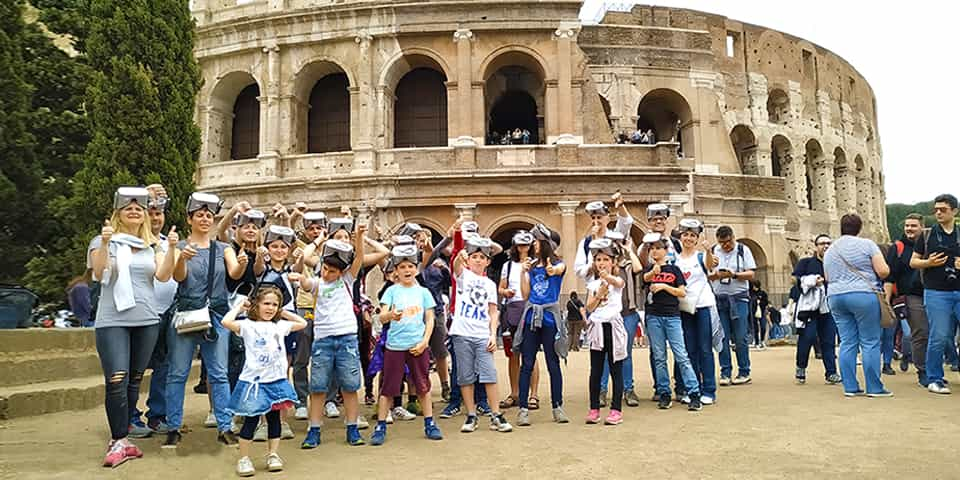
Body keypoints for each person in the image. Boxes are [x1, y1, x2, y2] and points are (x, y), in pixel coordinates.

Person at [89, 187, 176, 467]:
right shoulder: (104, 241)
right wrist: (104, 244)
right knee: (116, 379)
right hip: (113, 319)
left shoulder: (153, 246)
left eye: (140, 208)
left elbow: (163, 276)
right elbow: (99, 272)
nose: (135, 211)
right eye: (129, 207)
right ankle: (117, 440)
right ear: (118, 213)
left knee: (134, 381)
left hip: (147, 319)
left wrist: (172, 248)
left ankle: (124, 438)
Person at [163, 192, 247, 449]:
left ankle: (225, 426)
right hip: (187, 312)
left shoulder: (223, 248)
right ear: (190, 219)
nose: (205, 219)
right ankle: (173, 426)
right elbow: (178, 278)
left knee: (219, 373)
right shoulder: (180, 248)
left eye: (209, 216)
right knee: (178, 372)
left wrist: (242, 263)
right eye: (199, 215)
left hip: (216, 314)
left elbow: (234, 273)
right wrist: (181, 258)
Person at [222, 287, 306, 476]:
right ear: (256, 304)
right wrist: (239, 308)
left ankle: (273, 454)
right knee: (251, 420)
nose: (270, 308)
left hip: (276, 381)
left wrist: (283, 312)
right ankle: (244, 458)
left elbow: (302, 323)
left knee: (274, 420)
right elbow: (226, 322)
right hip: (255, 383)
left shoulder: (280, 325)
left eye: (274, 304)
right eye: (266, 303)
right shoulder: (247, 325)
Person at [299, 231, 366, 448]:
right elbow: (305, 282)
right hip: (323, 339)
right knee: (317, 387)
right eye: (325, 269)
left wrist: (359, 238)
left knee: (350, 385)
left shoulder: (347, 279)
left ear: (341, 271)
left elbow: (358, 259)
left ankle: (352, 427)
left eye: (332, 271)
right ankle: (314, 428)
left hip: (346, 337)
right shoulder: (319, 282)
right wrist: (318, 242)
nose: (327, 274)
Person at [372, 244, 442, 445]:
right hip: (395, 346)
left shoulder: (424, 293)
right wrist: (390, 315)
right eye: (402, 267)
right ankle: (381, 425)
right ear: (396, 271)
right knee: (388, 388)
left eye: (410, 266)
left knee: (423, 386)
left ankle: (429, 422)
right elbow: (383, 316)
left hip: (417, 345)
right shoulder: (392, 292)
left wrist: (424, 341)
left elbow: (430, 319)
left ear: (416, 269)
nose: (407, 270)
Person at [129, 185, 180, 437]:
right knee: (135, 366)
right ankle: (129, 416)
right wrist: (143, 191)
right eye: (150, 212)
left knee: (165, 367)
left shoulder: (166, 242)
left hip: (167, 311)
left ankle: (157, 416)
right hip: (140, 313)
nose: (156, 217)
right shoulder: (130, 241)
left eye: (159, 213)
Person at [450, 237, 513, 433]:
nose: (477, 260)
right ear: (468, 260)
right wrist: (459, 257)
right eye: (474, 256)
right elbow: (455, 265)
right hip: (461, 333)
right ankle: (471, 415)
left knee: (489, 375)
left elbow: (493, 311)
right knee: (465, 376)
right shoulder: (463, 276)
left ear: (487, 261)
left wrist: (493, 335)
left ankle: (495, 414)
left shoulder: (489, 284)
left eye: (481, 257)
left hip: (482, 334)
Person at [825, 213, 891, 398]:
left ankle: (850, 387)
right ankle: (874, 387)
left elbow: (828, 277)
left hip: (836, 296)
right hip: (863, 294)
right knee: (870, 341)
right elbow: (883, 271)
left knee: (847, 341)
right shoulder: (867, 244)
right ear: (859, 228)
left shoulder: (831, 249)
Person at [514, 223, 569, 426]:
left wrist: (552, 269)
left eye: (536, 241)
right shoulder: (531, 265)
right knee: (526, 363)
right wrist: (523, 273)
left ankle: (557, 406)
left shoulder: (557, 264)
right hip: (531, 317)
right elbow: (526, 294)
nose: (533, 244)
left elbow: (559, 269)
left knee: (553, 364)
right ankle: (523, 408)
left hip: (550, 318)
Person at [642, 233, 702, 411]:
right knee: (659, 357)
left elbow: (682, 292)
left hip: (672, 316)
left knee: (681, 355)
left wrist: (665, 286)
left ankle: (694, 392)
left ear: (666, 251)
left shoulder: (674, 270)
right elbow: (645, 279)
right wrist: (653, 272)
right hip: (654, 316)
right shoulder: (649, 270)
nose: (654, 251)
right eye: (652, 248)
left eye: (658, 248)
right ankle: (664, 392)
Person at [910, 194, 960, 394]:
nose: (938, 212)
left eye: (943, 209)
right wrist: (928, 263)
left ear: (954, 212)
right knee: (939, 336)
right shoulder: (926, 235)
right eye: (936, 209)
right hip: (936, 291)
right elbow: (913, 262)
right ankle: (934, 378)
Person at [674, 218, 718, 405]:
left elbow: (709, 266)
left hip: (702, 305)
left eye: (693, 235)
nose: (689, 238)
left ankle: (709, 389)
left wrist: (708, 250)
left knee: (705, 348)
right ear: (680, 237)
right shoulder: (674, 259)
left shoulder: (700, 256)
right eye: (686, 235)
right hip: (684, 307)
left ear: (697, 238)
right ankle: (693, 387)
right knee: (689, 349)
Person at [584, 238, 628, 425]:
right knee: (596, 370)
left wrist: (607, 278)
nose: (601, 263)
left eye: (605, 259)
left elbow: (618, 283)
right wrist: (599, 293)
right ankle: (594, 408)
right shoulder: (592, 285)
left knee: (616, 369)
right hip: (597, 328)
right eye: (598, 260)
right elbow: (589, 306)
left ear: (612, 262)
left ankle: (616, 409)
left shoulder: (617, 279)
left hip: (613, 326)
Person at [598, 231, 642, 408]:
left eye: (618, 242)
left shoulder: (628, 265)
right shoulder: (602, 268)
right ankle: (601, 390)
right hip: (607, 315)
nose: (615, 245)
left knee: (626, 353)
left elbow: (639, 269)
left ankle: (628, 389)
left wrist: (629, 249)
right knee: (605, 353)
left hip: (628, 314)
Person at [498, 230, 540, 410]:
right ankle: (514, 393)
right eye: (520, 245)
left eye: (526, 245)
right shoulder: (508, 265)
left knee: (530, 353)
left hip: (530, 307)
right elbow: (501, 287)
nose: (523, 248)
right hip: (513, 308)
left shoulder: (537, 264)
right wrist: (505, 292)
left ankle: (534, 394)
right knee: (513, 354)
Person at [710, 225, 756, 386]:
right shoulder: (713, 251)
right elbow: (706, 274)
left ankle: (744, 371)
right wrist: (716, 275)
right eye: (722, 243)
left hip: (739, 298)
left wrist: (734, 274)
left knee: (740, 336)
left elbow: (751, 274)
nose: (725, 246)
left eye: (728, 242)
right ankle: (725, 372)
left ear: (733, 238)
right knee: (722, 337)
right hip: (719, 298)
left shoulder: (743, 250)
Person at [792, 235, 841, 385]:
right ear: (816, 246)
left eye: (828, 243)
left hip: (828, 308)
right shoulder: (806, 263)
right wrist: (811, 280)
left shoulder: (835, 264)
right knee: (807, 338)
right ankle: (801, 367)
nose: (825, 246)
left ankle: (831, 372)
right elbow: (794, 279)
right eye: (822, 243)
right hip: (809, 309)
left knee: (828, 341)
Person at [573, 193, 633, 280]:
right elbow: (578, 271)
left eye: (599, 217)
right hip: (594, 287)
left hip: (615, 287)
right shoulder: (585, 242)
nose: (596, 221)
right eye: (593, 218)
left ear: (607, 219)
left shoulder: (614, 237)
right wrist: (591, 267)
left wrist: (621, 206)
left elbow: (626, 222)